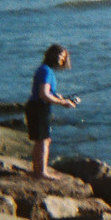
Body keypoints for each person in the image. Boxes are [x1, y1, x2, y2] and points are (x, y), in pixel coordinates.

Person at [25, 44, 77, 179]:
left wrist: (58, 96)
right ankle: (41, 172)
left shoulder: (45, 70)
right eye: (60, 56)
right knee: (43, 140)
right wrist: (62, 103)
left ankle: (37, 170)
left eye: (64, 57)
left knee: (42, 140)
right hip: (39, 107)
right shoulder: (46, 71)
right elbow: (43, 94)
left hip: (37, 106)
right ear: (52, 55)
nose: (62, 60)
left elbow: (47, 92)